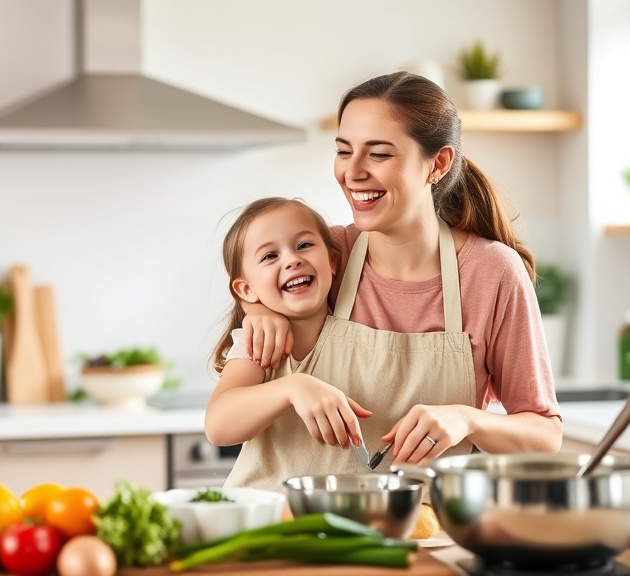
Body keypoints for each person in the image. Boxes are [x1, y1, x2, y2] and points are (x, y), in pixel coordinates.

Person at [240, 71, 562, 465]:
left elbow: (545, 434)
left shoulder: (490, 272)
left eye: (378, 154)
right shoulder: (326, 253)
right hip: (294, 514)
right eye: (343, 151)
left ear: (438, 163)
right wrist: (258, 313)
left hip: (417, 521)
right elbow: (254, 281)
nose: (353, 172)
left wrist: (468, 420)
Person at [206, 197, 374, 491]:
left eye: (304, 245)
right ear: (246, 289)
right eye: (270, 256)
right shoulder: (257, 343)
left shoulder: (360, 324)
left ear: (332, 261)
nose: (292, 259)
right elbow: (218, 426)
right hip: (266, 519)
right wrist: (294, 387)